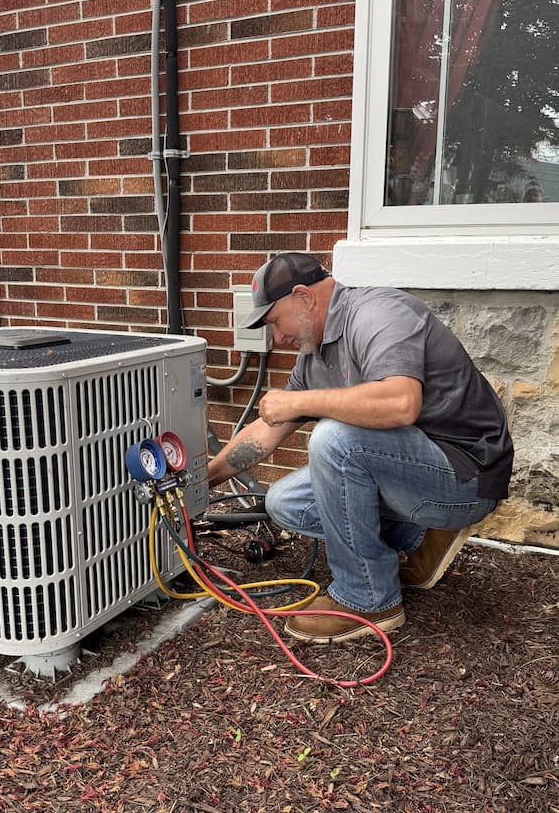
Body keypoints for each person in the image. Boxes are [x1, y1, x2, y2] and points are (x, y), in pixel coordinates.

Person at [207, 252, 514, 643]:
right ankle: (420, 538)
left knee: (335, 440)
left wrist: (301, 402)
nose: (277, 338)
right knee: (284, 502)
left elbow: (401, 403)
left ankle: (368, 598)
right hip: (418, 475)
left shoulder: (377, 314)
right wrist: (205, 480)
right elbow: (266, 432)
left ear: (303, 297)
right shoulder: (315, 355)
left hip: (465, 474)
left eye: (274, 322)